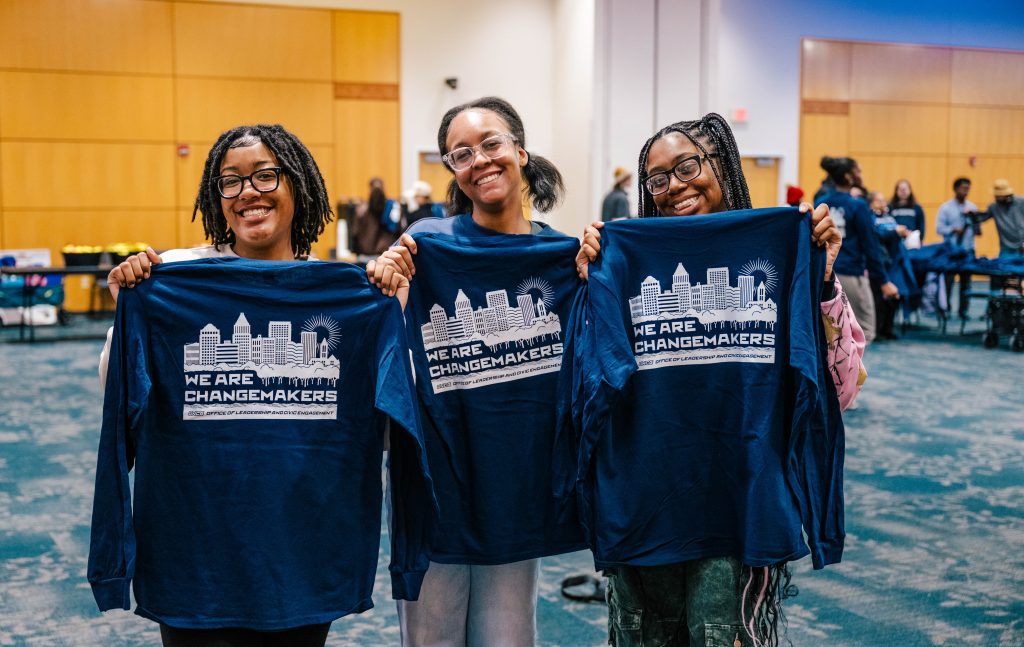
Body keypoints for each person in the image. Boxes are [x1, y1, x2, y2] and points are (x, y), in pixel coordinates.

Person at [96, 124, 394, 647]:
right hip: (196, 551)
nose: (248, 192)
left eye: (265, 175)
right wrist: (131, 315)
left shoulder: (344, 292)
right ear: (218, 200)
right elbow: (120, 396)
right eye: (230, 182)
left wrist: (394, 302)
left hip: (302, 548)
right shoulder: (174, 278)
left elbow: (386, 412)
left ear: (297, 186)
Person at [576, 114, 865, 647]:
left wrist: (820, 276)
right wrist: (589, 280)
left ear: (722, 165)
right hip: (646, 502)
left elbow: (838, 390)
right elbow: (590, 383)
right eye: (657, 179)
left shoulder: (778, 252)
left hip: (741, 502)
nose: (674, 186)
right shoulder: (624, 257)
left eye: (687, 166)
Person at [367, 97, 580, 647]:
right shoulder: (426, 244)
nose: (480, 160)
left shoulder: (563, 256)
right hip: (437, 482)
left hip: (517, 485)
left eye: (491, 144)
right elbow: (381, 332)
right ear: (452, 171)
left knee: (509, 639)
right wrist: (382, 276)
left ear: (520, 150)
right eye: (462, 153)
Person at [815, 156, 897, 343]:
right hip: (851, 275)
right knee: (865, 331)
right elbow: (871, 246)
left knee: (830, 331)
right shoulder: (858, 205)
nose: (861, 175)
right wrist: (884, 281)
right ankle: (850, 372)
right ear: (848, 176)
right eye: (858, 171)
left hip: (825, 273)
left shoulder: (821, 200)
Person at [935, 177, 978, 319]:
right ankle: (945, 309)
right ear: (955, 189)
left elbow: (978, 230)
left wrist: (973, 220)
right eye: (963, 188)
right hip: (951, 251)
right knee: (948, 281)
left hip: (967, 250)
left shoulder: (972, 207)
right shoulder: (945, 208)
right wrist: (953, 230)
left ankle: (963, 311)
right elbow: (939, 228)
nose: (966, 191)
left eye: (968, 188)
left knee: (966, 283)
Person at [869, 191, 908, 339]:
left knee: (894, 295)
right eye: (878, 201)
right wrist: (895, 232)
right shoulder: (870, 218)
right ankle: (877, 330)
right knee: (878, 297)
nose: (882, 203)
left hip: (894, 261)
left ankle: (888, 328)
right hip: (880, 261)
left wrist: (902, 232)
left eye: (883, 200)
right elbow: (877, 235)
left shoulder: (890, 217)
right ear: (871, 203)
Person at [352, 177, 402, 256]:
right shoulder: (393, 207)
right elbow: (399, 230)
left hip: (366, 253)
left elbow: (355, 233)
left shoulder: (361, 210)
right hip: (386, 253)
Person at [978, 179, 1024, 259]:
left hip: (1022, 246)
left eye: (999, 196)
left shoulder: (1021, 202)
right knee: (1004, 269)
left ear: (1007, 194)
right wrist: (971, 215)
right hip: (1006, 248)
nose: (997, 198)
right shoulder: (993, 207)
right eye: (996, 196)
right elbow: (980, 218)